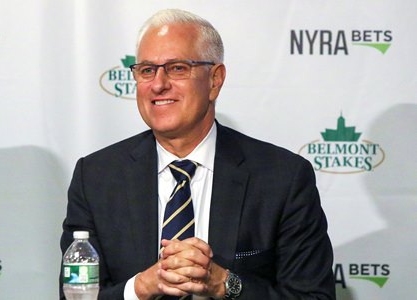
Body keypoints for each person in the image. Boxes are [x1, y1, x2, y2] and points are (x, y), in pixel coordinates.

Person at [60, 8, 335, 300]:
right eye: (146, 70)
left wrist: (224, 284)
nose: (158, 84)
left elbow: (314, 296)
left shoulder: (282, 178)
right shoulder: (95, 178)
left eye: (177, 68)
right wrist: (140, 288)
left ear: (215, 79)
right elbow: (75, 297)